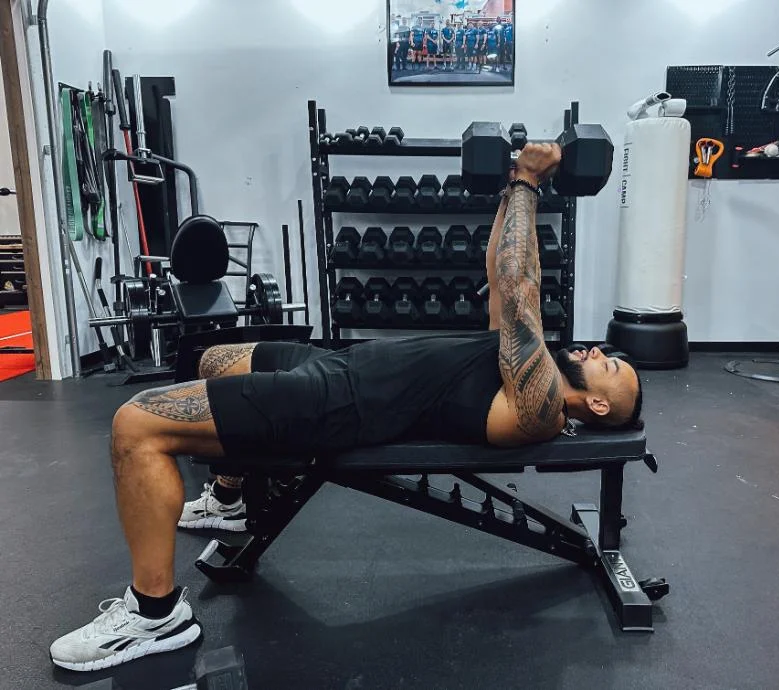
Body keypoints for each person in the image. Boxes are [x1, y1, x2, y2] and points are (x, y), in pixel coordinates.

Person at [49, 143, 643, 672]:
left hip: (336, 404)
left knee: (136, 424)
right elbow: (502, 269)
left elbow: (520, 289)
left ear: (595, 404)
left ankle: (154, 616)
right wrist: (511, 185)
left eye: (609, 366)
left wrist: (528, 182)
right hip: (339, 365)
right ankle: (228, 501)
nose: (597, 351)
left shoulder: (538, 406)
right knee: (213, 359)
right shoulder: (524, 365)